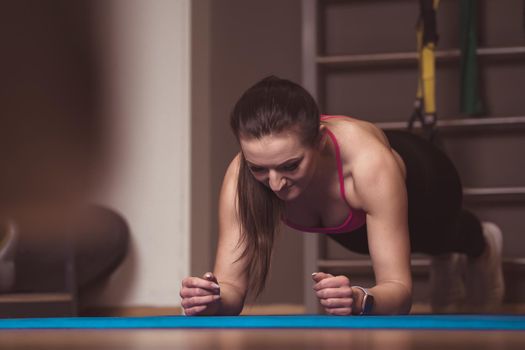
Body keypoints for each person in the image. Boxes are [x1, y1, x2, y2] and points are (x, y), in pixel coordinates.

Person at [180, 76, 504, 316]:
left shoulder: (368, 165)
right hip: (352, 227)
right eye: (259, 169)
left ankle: (479, 244)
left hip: (429, 186)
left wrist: (363, 300)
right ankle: (445, 260)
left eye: (290, 165)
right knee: (379, 240)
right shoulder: (241, 176)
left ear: (320, 141)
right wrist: (212, 299)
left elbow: (400, 291)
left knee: (444, 235)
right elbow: (232, 289)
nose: (275, 184)